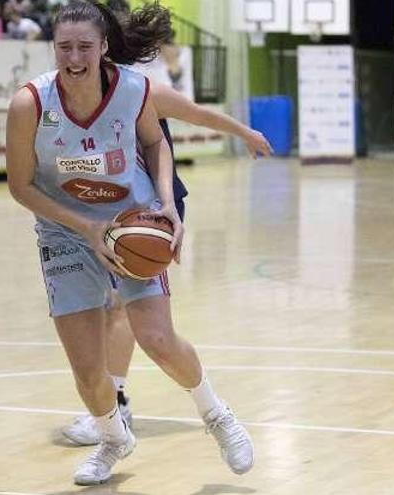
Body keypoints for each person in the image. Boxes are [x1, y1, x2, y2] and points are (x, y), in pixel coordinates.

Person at [6, 0, 253, 486]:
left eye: (84, 47)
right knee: (86, 371)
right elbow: (20, 186)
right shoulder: (29, 103)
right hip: (66, 230)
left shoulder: (133, 90)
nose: (73, 57)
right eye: (64, 47)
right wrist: (84, 228)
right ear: (52, 48)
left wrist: (165, 205)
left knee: (157, 338)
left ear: (103, 49)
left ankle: (217, 415)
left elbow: (157, 142)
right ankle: (113, 437)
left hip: (130, 218)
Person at [61, 81, 273, 445]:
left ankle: (117, 404)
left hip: (155, 213)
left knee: (120, 308)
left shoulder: (142, 91)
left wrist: (245, 133)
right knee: (114, 309)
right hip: (116, 210)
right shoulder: (79, 95)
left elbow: (199, 113)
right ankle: (116, 403)